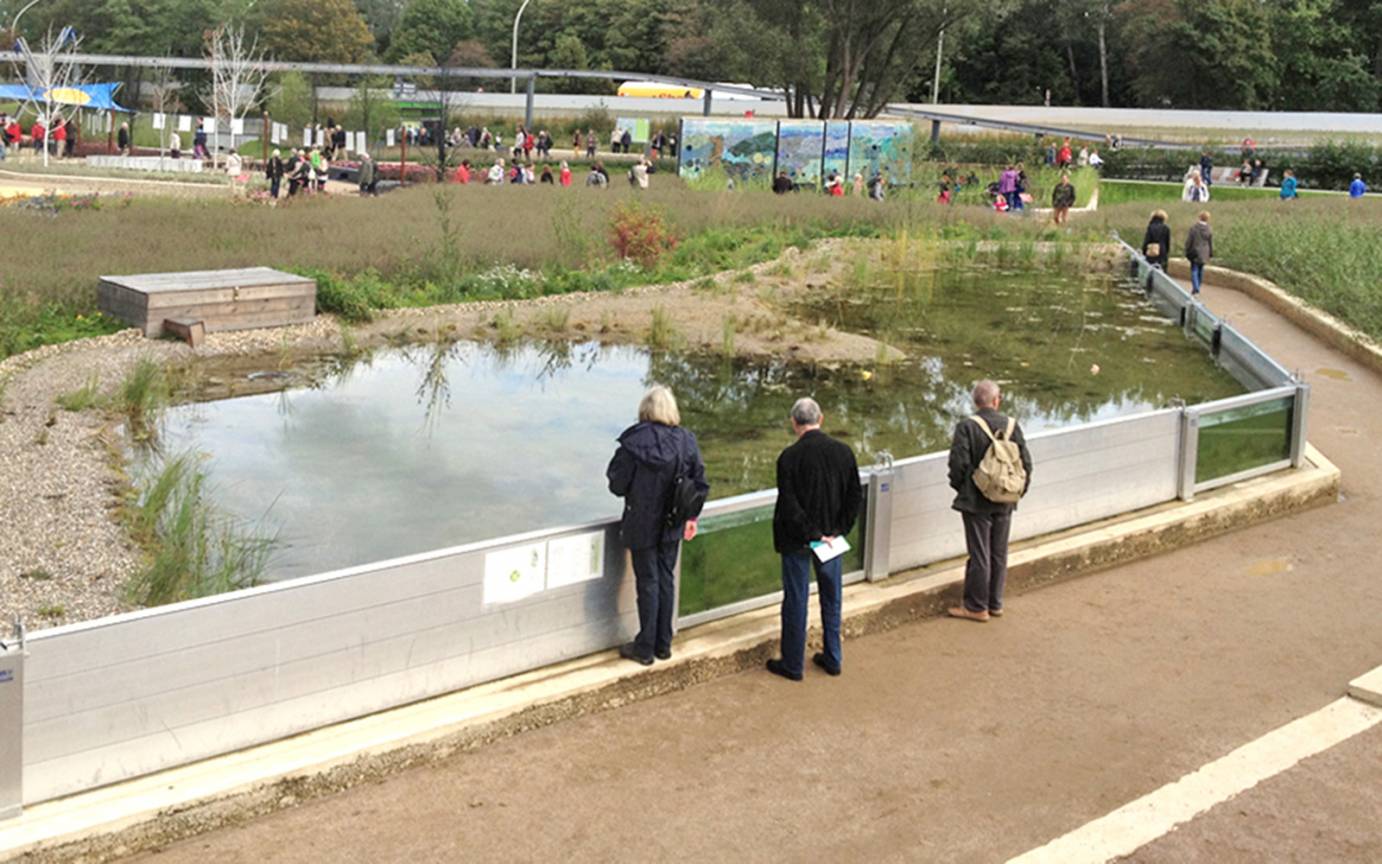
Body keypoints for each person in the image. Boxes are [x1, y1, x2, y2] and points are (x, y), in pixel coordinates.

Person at [606, 386, 709, 666]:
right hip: (672, 522)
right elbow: (700, 483)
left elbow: (616, 484)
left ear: (645, 410)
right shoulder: (686, 441)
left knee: (648, 583)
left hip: (641, 522)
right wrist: (691, 517)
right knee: (666, 579)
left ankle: (644, 647)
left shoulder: (633, 443)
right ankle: (663, 643)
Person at [766, 397, 862, 681]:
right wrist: (838, 530)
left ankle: (793, 664)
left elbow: (790, 505)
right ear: (821, 419)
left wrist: (813, 533)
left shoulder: (789, 458)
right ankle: (833, 657)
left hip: (798, 541)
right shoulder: (844, 453)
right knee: (832, 598)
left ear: (794, 423)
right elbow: (854, 496)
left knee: (796, 600)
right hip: (832, 541)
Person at [946, 380, 1033, 623]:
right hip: (1006, 499)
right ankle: (995, 603)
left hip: (976, 502)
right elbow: (1026, 464)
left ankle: (976, 606)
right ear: (997, 400)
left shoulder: (967, 427)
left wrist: (964, 489)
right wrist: (1015, 492)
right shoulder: (1013, 426)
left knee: (980, 553)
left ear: (976, 402)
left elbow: (958, 465)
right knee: (998, 551)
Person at [1184, 211, 1213, 295]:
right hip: (1205, 252)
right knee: (1200, 269)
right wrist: (1210, 252)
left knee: (1194, 269)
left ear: (1199, 217)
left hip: (1195, 251)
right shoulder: (1209, 229)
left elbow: (1189, 240)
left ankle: (1196, 288)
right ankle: (1198, 286)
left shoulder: (1194, 228)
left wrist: (1187, 249)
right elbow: (1210, 242)